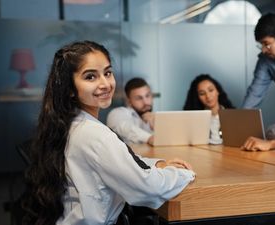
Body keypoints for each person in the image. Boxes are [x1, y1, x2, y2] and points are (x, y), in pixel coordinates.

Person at [22, 41, 195, 225]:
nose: (105, 84)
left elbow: (119, 162)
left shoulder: (72, 125)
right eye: (90, 77)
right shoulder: (94, 135)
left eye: (107, 73)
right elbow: (148, 188)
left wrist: (158, 164)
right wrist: (184, 173)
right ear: (70, 89)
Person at [183, 74, 234, 144]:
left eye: (211, 90)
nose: (208, 96)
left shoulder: (234, 116)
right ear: (197, 97)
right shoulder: (194, 120)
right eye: (202, 93)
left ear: (218, 91)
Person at [107, 78, 155, 145]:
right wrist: (149, 138)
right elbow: (125, 128)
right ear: (129, 101)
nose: (146, 102)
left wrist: (157, 126)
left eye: (147, 96)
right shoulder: (118, 113)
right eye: (139, 98)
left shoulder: (154, 118)